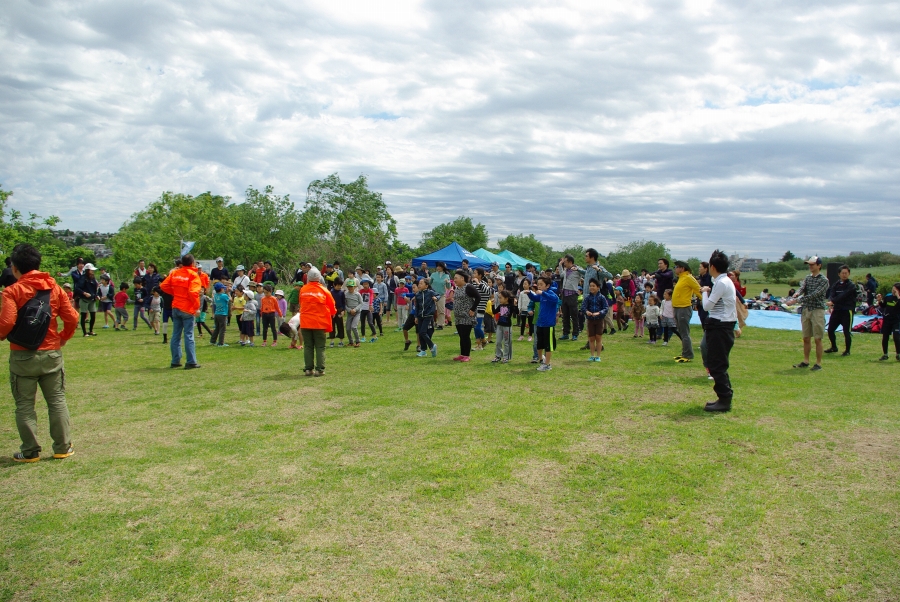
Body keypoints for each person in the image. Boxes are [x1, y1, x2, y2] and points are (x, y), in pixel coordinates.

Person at [0, 243, 79, 462]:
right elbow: (72, 317)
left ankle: (30, 451)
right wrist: (63, 337)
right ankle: (62, 447)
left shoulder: (11, 291)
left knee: (24, 405)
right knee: (56, 400)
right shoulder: (54, 287)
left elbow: (6, 322)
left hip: (22, 355)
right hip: (52, 352)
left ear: (15, 268)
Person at [700, 249, 738, 412]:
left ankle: (724, 399)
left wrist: (704, 293)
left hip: (720, 326)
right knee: (717, 362)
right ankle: (724, 396)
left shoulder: (721, 283)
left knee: (717, 365)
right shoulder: (724, 281)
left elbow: (707, 306)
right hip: (721, 325)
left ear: (713, 267)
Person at [159, 254, 202, 369]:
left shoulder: (175, 273)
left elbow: (163, 286)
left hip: (176, 306)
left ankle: (175, 360)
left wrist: (175, 293)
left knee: (176, 335)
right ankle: (191, 361)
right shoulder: (193, 275)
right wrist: (197, 307)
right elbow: (193, 292)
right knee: (188, 335)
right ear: (192, 263)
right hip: (187, 309)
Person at [788, 256, 829, 372]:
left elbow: (815, 294)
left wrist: (797, 300)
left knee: (817, 338)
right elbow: (802, 288)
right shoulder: (807, 278)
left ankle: (818, 363)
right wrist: (796, 294)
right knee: (806, 337)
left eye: (812, 264)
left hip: (817, 310)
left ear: (819, 265)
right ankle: (806, 361)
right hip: (806, 310)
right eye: (809, 264)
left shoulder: (824, 280)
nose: (810, 266)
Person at [297, 268, 337, 376]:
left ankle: (308, 369)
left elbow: (301, 303)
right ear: (319, 278)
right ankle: (319, 370)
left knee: (308, 346)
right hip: (319, 323)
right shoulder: (324, 291)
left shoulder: (303, 290)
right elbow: (332, 307)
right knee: (320, 346)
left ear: (308, 278)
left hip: (305, 322)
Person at [528, 276, 560, 371]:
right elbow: (534, 298)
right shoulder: (541, 295)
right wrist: (529, 293)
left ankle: (547, 364)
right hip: (540, 323)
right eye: (538, 284)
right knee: (539, 344)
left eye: (541, 284)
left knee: (548, 345)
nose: (539, 286)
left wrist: (543, 293)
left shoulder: (551, 293)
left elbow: (555, 299)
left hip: (548, 324)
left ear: (547, 285)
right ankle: (542, 360)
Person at [671, 260, 701, 362]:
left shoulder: (688, 278)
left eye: (676, 267)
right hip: (677, 307)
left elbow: (698, 289)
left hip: (684, 308)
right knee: (681, 332)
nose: (675, 269)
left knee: (684, 333)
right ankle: (684, 353)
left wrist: (705, 302)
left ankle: (688, 355)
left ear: (682, 268)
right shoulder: (681, 278)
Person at [826, 265, 857, 357]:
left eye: (846, 273)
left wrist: (833, 301)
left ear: (849, 274)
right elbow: (832, 294)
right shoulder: (836, 284)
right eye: (842, 273)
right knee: (830, 329)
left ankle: (847, 350)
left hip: (847, 311)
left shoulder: (851, 285)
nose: (844, 275)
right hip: (837, 310)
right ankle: (834, 347)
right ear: (839, 274)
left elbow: (843, 295)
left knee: (846, 331)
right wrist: (831, 302)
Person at [452, 270, 479, 362]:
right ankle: (462, 354)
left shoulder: (469, 287)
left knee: (465, 335)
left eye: (456, 278)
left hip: (466, 316)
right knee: (461, 336)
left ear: (462, 278)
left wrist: (472, 309)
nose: (454, 280)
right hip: (458, 317)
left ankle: (467, 355)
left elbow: (478, 297)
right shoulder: (457, 288)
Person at [557, 254, 583, 341]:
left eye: (565, 262)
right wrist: (560, 265)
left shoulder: (577, 270)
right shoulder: (565, 270)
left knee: (574, 315)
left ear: (570, 262)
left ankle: (575, 333)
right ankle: (566, 333)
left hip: (572, 295)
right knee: (565, 315)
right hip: (564, 294)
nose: (564, 264)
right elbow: (561, 275)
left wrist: (578, 269)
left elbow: (585, 273)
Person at [582, 278, 609, 362]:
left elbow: (606, 308)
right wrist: (587, 312)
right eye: (590, 286)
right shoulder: (587, 297)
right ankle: (592, 355)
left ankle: (598, 356)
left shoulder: (602, 297)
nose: (591, 287)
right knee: (591, 338)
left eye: (593, 286)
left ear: (598, 287)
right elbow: (583, 307)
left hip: (599, 320)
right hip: (590, 320)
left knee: (598, 337)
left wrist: (599, 313)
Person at [414, 278, 439, 358]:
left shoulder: (430, 292)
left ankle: (432, 346)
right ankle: (423, 350)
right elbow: (417, 307)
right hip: (420, 316)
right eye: (419, 283)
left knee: (423, 332)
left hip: (428, 315)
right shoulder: (417, 294)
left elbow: (438, 295)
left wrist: (436, 298)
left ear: (426, 285)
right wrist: (416, 316)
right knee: (421, 334)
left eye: (421, 283)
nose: (419, 285)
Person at [74, 262, 99, 337]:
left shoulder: (93, 278)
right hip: (84, 299)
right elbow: (77, 288)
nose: (93, 271)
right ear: (88, 270)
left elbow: (95, 289)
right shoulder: (83, 278)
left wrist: (96, 295)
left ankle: (91, 330)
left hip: (92, 299)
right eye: (91, 270)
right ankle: (84, 333)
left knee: (93, 315)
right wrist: (84, 293)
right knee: (84, 315)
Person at [878, 284, 900, 361]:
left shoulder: (898, 298)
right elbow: (883, 306)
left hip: (896, 320)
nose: (893, 291)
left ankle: (898, 354)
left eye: (895, 290)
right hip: (887, 319)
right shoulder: (888, 296)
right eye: (892, 289)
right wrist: (880, 301)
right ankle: (885, 354)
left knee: (896, 336)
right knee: (885, 337)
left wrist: (898, 297)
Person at [472, 268, 491, 350]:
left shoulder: (483, 284)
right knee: (475, 327)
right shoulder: (472, 284)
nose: (473, 275)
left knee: (477, 327)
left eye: (475, 273)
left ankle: (483, 340)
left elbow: (488, 292)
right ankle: (479, 345)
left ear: (480, 275)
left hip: (481, 308)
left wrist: (478, 283)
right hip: (473, 309)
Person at [430, 262, 451, 329]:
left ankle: (440, 324)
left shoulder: (446, 276)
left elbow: (448, 287)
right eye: (437, 266)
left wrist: (448, 283)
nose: (438, 267)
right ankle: (431, 323)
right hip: (433, 294)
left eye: (440, 266)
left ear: (443, 267)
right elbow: (429, 284)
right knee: (431, 310)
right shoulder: (433, 274)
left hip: (441, 295)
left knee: (441, 310)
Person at [344, 278, 363, 348]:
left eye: (351, 286)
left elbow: (361, 303)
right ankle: (351, 342)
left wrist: (355, 309)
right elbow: (345, 304)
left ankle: (358, 341)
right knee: (348, 328)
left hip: (357, 313)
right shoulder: (345, 294)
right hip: (350, 313)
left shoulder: (357, 294)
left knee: (354, 327)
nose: (350, 288)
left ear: (354, 287)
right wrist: (349, 310)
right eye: (348, 286)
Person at [210, 282, 230, 347]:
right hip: (223, 314)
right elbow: (230, 299)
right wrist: (228, 293)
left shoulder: (215, 295)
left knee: (217, 328)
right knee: (222, 329)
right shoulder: (224, 296)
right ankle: (221, 343)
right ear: (221, 289)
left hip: (217, 313)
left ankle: (212, 341)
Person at [329, 279, 346, 347]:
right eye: (338, 285)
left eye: (340, 286)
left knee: (340, 325)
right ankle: (332, 341)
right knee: (332, 326)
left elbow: (343, 302)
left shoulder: (342, 292)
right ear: (334, 285)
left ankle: (341, 341)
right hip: (332, 310)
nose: (339, 287)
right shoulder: (331, 292)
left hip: (339, 310)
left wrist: (343, 310)